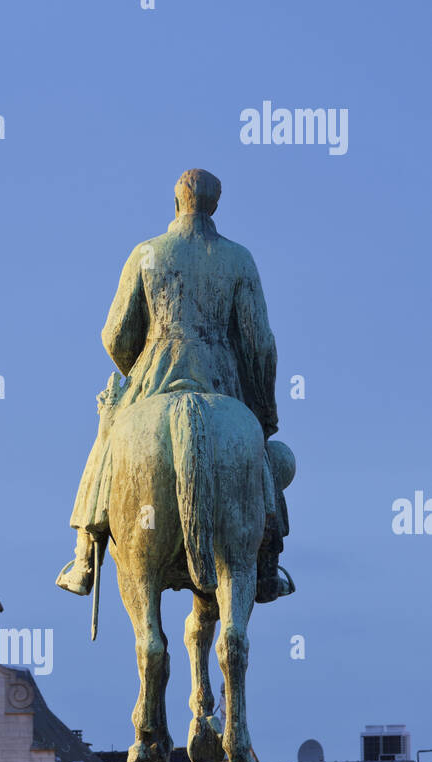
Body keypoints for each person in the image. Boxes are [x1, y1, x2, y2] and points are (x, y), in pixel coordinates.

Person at [56, 167, 295, 606]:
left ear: (176, 202)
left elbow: (114, 335)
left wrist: (140, 370)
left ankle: (83, 559)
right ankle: (264, 566)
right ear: (214, 206)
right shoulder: (239, 258)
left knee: (106, 447)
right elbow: (261, 345)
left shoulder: (146, 253)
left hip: (154, 377)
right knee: (261, 460)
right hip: (222, 385)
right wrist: (263, 410)